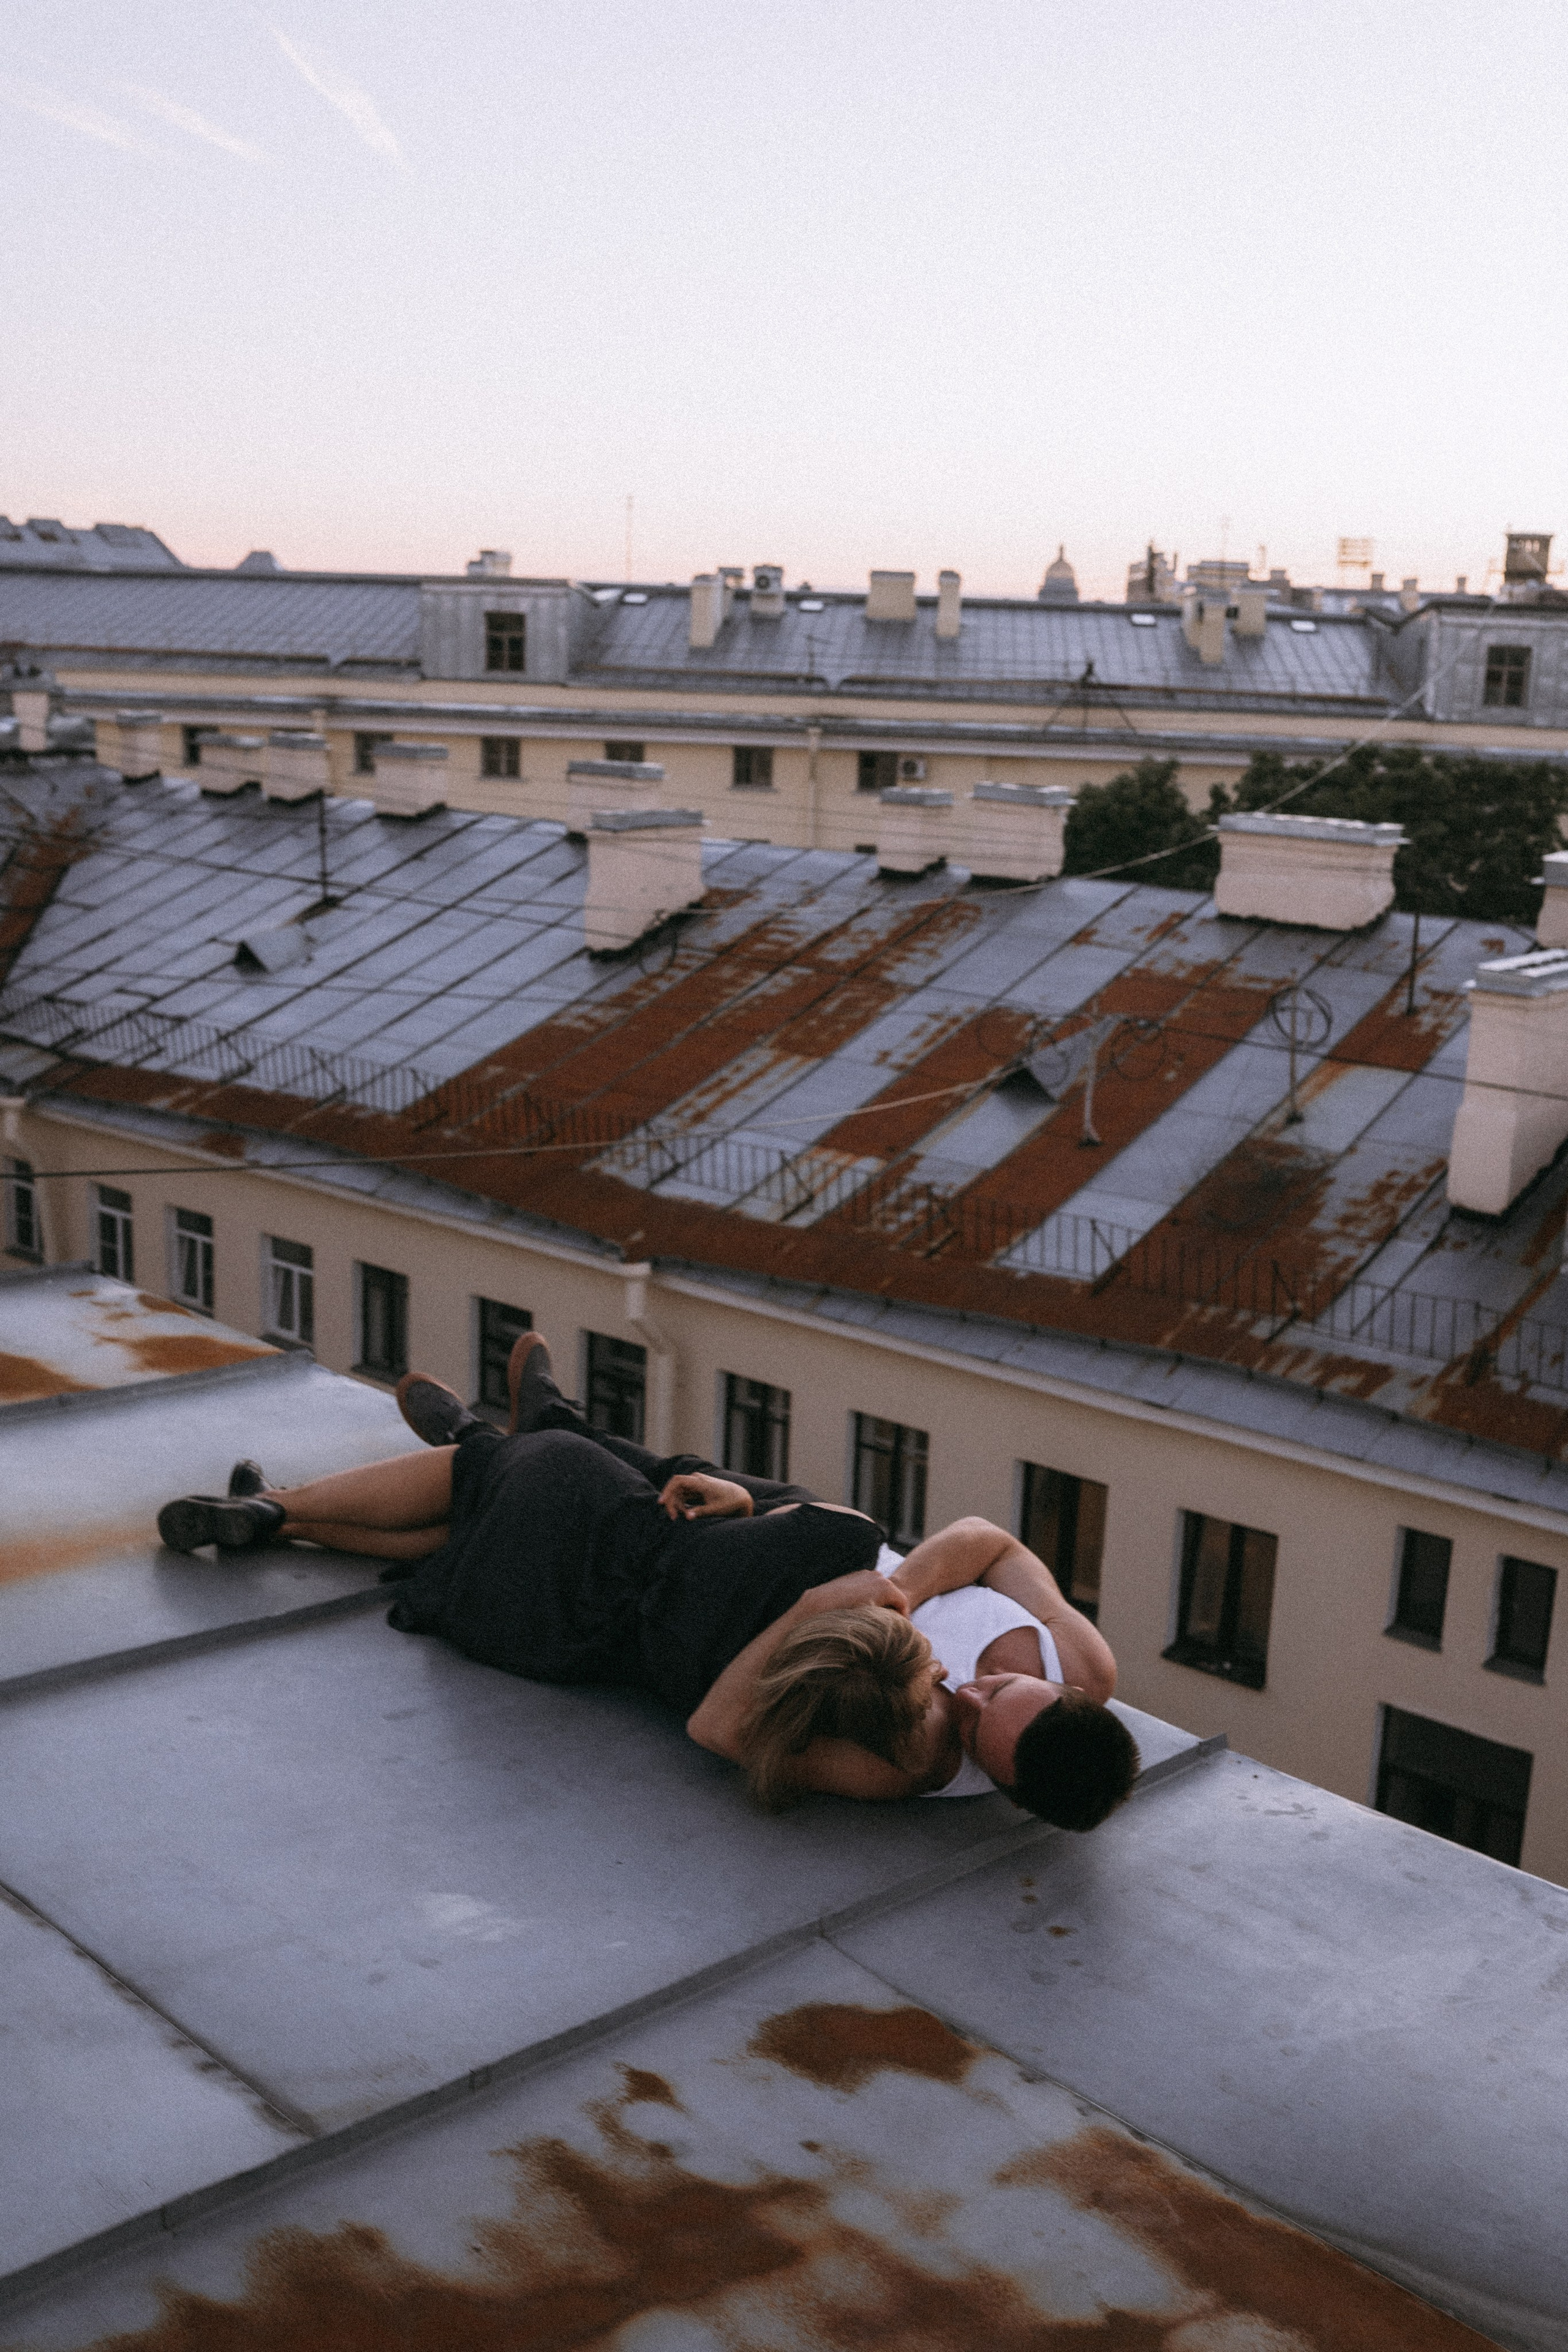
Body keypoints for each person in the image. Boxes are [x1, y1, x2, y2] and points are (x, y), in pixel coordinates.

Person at [155, 1335, 1138, 1830]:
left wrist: (825, 1604)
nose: (967, 1691)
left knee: (506, 1483)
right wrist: (904, 1595)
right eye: (1002, 1686)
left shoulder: (908, 1764)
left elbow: (724, 1730)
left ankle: (459, 1447)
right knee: (669, 1482)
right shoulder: (1082, 1659)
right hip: (817, 1559)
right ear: (1067, 1690)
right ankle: (512, 1431)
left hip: (776, 1584)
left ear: (1002, 1789)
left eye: (978, 1726)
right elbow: (982, 1536)